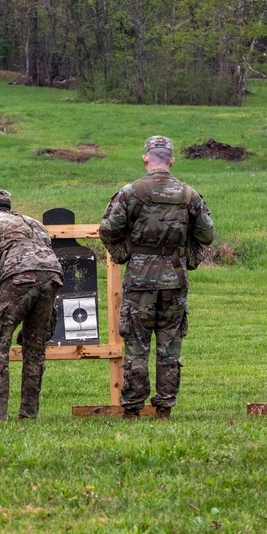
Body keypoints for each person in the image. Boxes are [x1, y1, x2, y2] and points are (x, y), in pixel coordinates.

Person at [99, 136, 214, 420]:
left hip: (140, 280)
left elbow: (108, 230)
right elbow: (207, 235)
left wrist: (123, 253)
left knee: (137, 345)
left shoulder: (131, 192)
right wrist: (190, 257)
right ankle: (164, 407)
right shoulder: (189, 195)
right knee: (170, 346)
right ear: (171, 161)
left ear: (146, 158)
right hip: (175, 279)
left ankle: (133, 408)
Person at [0, 189, 63, 421]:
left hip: (19, 276)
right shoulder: (35, 223)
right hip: (52, 275)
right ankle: (29, 413)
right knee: (35, 346)